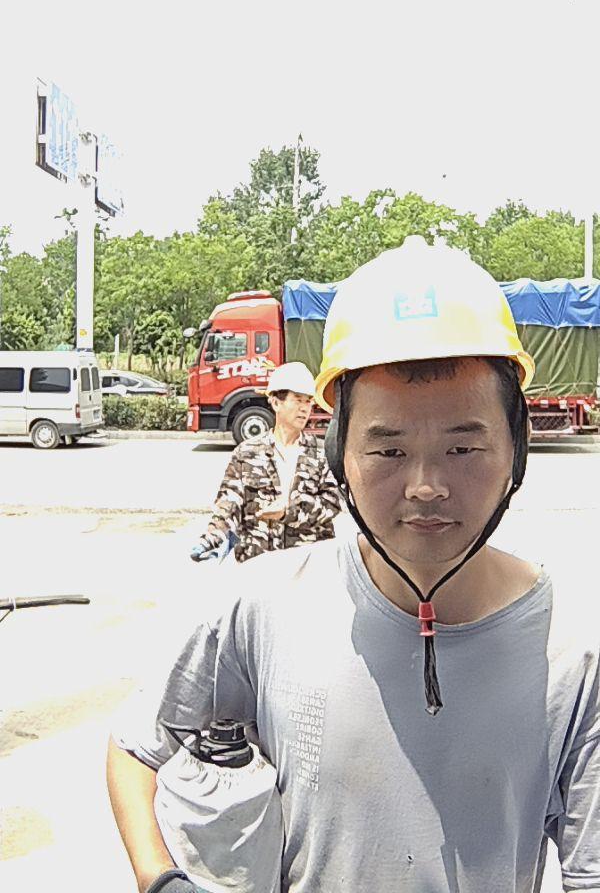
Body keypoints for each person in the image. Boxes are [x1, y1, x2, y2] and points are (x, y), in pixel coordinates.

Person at [107, 237, 600, 893]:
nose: (426, 487)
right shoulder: (263, 605)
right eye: (389, 451)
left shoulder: (574, 652)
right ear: (339, 453)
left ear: (518, 448)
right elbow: (136, 748)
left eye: (462, 448)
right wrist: (159, 880)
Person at [190, 361, 343, 563]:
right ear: (276, 403)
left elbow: (332, 504)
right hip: (258, 563)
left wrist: (288, 511)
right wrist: (210, 539)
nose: (304, 409)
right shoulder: (247, 453)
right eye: (298, 400)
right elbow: (229, 505)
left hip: (307, 563)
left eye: (308, 402)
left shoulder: (320, 453)